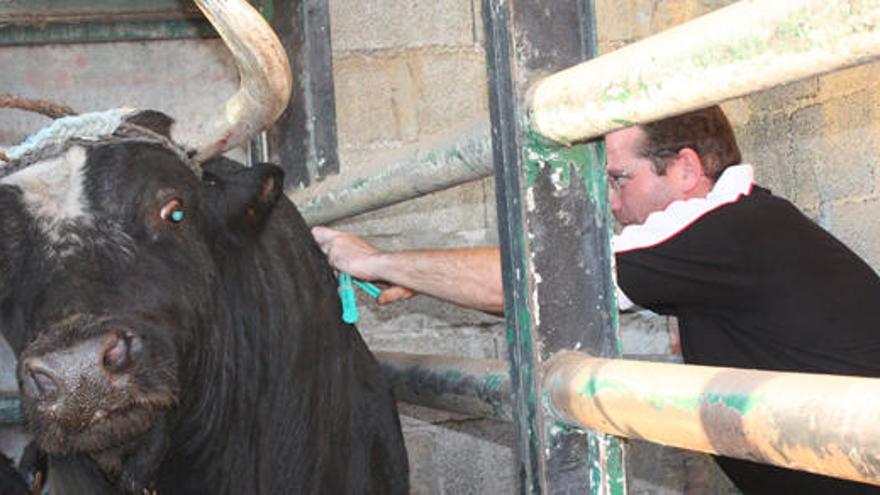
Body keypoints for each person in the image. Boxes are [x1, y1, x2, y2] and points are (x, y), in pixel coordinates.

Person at [312, 105, 880, 494]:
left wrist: (372, 261)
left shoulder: (722, 231)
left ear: (685, 168)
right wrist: (433, 276)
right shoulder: (736, 226)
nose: (608, 201)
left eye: (618, 179)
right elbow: (537, 289)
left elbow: (538, 280)